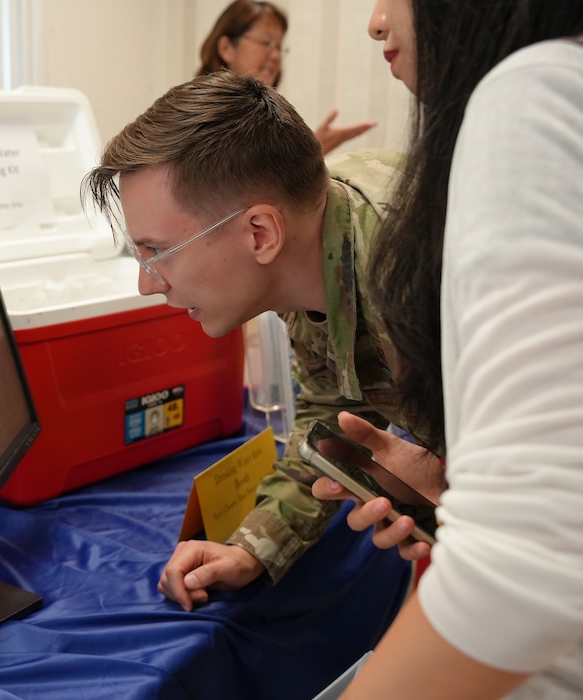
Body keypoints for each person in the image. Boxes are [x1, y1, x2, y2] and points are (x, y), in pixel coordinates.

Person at [312, 1, 583, 697]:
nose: (376, 22)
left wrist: (499, 526)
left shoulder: (535, 92)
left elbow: (529, 568)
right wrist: (458, 494)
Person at [82, 69, 413, 612]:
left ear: (260, 233)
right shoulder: (305, 247)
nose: (147, 282)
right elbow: (337, 402)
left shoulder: (415, 290)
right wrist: (253, 546)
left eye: (157, 252)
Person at [197, 0, 376, 154]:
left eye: (279, 46)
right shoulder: (198, 117)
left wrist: (310, 152)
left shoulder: (271, 118)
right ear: (226, 48)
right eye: (266, 43)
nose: (276, 56)